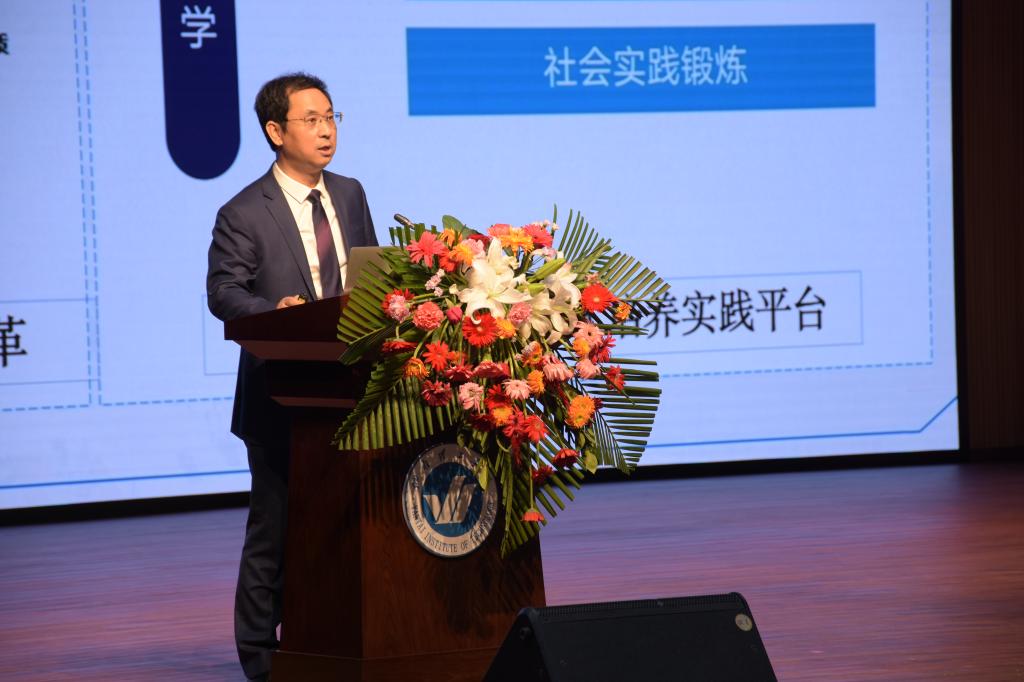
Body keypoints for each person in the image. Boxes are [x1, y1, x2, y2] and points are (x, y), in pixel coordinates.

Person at [206, 72, 377, 681]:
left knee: (349, 526)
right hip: (281, 394)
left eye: (331, 117)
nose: (326, 130)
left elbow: (369, 279)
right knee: (274, 530)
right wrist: (273, 312)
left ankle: (333, 641)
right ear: (276, 131)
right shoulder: (243, 212)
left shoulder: (350, 194)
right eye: (311, 119)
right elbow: (224, 292)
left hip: (352, 392)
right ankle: (260, 660)